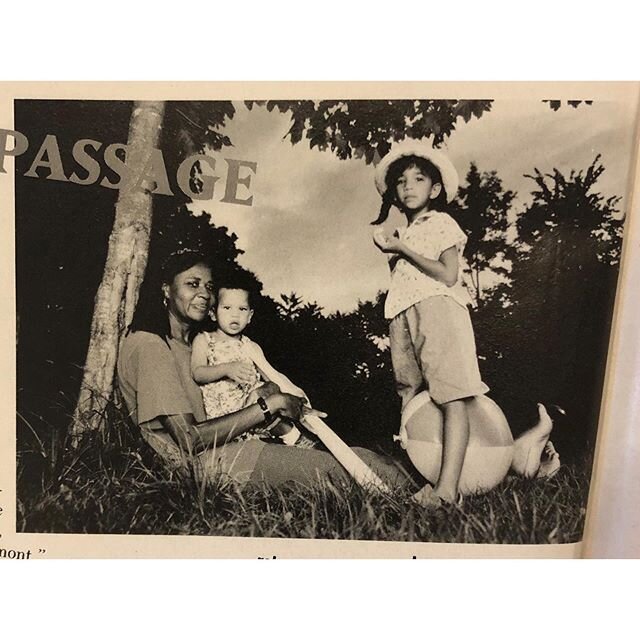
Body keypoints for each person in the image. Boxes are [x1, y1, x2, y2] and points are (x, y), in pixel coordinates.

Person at [116, 249, 407, 488]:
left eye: (209, 286)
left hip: (235, 449)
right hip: (207, 468)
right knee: (352, 472)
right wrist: (268, 406)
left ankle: (432, 492)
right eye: (193, 284)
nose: (205, 294)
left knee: (362, 457)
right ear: (166, 288)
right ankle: (431, 502)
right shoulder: (150, 346)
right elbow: (189, 439)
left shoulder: (194, 344)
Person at [372, 141, 494, 506]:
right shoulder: (403, 235)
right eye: (402, 181)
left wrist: (403, 251)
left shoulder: (441, 222)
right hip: (404, 313)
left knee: (451, 394)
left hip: (439, 309)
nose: (409, 186)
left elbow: (447, 274)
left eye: (419, 179)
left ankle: (447, 489)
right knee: (409, 394)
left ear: (435, 189)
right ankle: (423, 477)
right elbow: (406, 281)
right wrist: (397, 252)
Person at [190, 271, 316, 447]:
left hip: (255, 409)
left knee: (272, 389)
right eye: (227, 308)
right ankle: (289, 438)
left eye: (242, 309)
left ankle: (293, 438)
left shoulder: (250, 346)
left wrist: (297, 396)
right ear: (213, 313)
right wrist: (227, 368)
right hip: (225, 416)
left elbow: (272, 376)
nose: (235, 315)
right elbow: (197, 372)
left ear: (249, 316)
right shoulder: (205, 340)